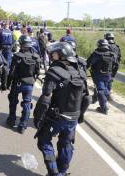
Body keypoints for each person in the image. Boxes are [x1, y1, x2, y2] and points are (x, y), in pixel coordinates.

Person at [33, 41, 90, 176]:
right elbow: (87, 98)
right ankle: (62, 172)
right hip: (73, 117)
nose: (52, 56)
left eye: (55, 54)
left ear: (61, 55)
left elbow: (45, 99)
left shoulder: (54, 71)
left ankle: (54, 172)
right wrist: (80, 116)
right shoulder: (80, 72)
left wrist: (38, 117)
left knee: (43, 141)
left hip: (57, 117)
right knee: (66, 144)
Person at [6, 35, 41, 134]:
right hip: (29, 84)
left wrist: (7, 84)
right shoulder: (36, 56)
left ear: (21, 44)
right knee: (27, 103)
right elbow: (38, 72)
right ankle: (22, 125)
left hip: (18, 83)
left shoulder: (17, 56)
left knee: (13, 101)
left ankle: (12, 120)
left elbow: (11, 72)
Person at [87, 39, 115, 114]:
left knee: (101, 91)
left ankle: (104, 108)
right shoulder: (111, 54)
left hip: (98, 75)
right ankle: (99, 101)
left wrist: (83, 71)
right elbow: (115, 64)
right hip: (108, 75)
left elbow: (88, 63)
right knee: (105, 90)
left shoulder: (96, 54)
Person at [104, 33, 121, 100]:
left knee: (103, 81)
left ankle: (103, 95)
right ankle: (107, 95)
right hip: (114, 67)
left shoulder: (105, 46)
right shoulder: (117, 47)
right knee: (110, 80)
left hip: (106, 67)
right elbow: (119, 59)